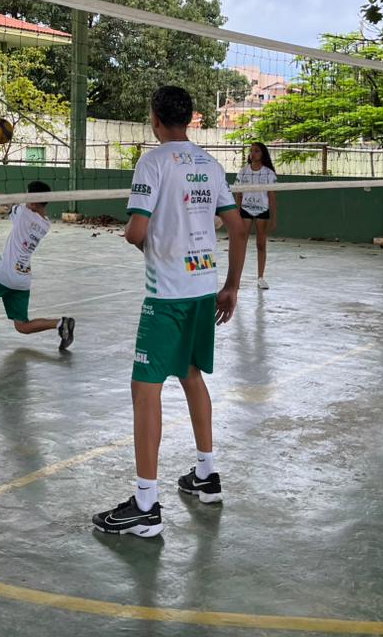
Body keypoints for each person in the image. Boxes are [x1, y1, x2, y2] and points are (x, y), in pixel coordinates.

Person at [92, 86, 248, 538]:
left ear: (155, 119)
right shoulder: (210, 164)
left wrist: (143, 240)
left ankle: (145, 504)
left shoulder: (154, 162)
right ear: (191, 119)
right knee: (192, 375)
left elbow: (135, 229)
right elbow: (237, 229)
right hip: (203, 290)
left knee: (145, 390)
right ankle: (206, 474)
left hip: (167, 297)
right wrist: (232, 286)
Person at [0, 182, 74, 350]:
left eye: (27, 197)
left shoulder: (23, 214)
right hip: (22, 277)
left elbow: (7, 201)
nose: (24, 199)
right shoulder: (45, 224)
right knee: (22, 326)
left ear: (34, 202)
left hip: (5, 273)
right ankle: (60, 323)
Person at [236, 141, 278, 289]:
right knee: (241, 243)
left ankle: (260, 277)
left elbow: (272, 196)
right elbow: (239, 194)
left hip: (261, 209)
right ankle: (237, 278)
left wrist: (273, 217)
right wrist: (237, 212)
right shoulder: (243, 172)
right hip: (246, 209)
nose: (253, 153)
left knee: (261, 244)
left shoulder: (268, 173)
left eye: (257, 151)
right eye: (251, 151)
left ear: (262, 154)